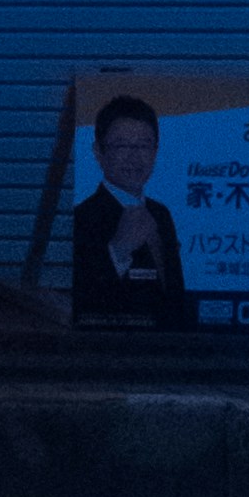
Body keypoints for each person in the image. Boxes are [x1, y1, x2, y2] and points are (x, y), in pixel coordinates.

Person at [70, 91, 198, 330]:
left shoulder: (161, 213)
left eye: (144, 145)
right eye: (121, 145)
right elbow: (81, 301)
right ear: (98, 152)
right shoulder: (82, 217)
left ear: (155, 151)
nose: (134, 157)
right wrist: (118, 251)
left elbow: (174, 293)